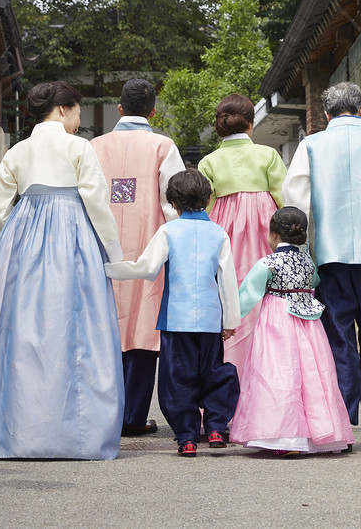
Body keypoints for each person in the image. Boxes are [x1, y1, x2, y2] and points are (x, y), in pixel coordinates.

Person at [0, 80, 124, 460]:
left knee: (22, 335)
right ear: (62, 109)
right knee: (78, 331)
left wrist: (19, 228)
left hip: (22, 240)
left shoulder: (18, 151)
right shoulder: (79, 147)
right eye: (76, 111)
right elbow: (97, 202)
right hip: (73, 236)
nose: (78, 119)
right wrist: (112, 250)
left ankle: (17, 435)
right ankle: (78, 437)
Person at [282, 81, 361, 446]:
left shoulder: (311, 145)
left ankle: (339, 417)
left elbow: (295, 199)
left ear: (325, 114)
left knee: (336, 336)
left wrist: (302, 254)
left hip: (329, 257)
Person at [105, 168, 241, 457]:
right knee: (214, 373)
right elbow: (228, 281)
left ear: (174, 203)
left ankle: (188, 437)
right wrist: (230, 320)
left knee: (177, 379)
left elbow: (147, 268)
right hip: (209, 320)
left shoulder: (168, 231)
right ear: (208, 198)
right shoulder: (218, 233)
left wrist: (108, 269)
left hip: (176, 320)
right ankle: (216, 427)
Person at [91, 78, 185, 436]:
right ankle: (132, 416)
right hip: (149, 249)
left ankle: (105, 415)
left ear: (119, 109)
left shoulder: (95, 146)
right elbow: (174, 201)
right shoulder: (163, 146)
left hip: (103, 249)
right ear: (154, 111)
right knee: (144, 330)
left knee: (105, 326)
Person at [229, 207, 353, 457]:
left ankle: (282, 435)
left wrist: (229, 321)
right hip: (309, 324)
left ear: (274, 235)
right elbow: (316, 281)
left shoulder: (268, 262)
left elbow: (248, 294)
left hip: (278, 320)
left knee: (278, 371)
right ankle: (320, 432)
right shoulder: (307, 262)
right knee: (312, 375)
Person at [197, 93, 287, 377]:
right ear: (250, 123)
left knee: (228, 296)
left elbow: (205, 205)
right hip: (266, 231)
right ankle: (267, 377)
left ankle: (227, 378)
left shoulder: (209, 162)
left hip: (223, 231)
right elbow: (284, 199)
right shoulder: (268, 155)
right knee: (266, 296)